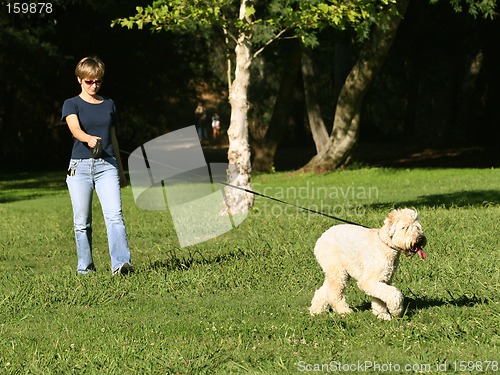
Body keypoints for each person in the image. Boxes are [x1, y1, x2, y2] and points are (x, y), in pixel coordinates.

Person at [62, 56, 132, 275]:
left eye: (97, 81)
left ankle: (120, 265)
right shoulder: (71, 103)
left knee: (115, 217)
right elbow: (74, 128)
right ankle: (85, 268)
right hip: (80, 167)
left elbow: (113, 138)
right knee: (82, 222)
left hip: (107, 167)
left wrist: (121, 170)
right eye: (89, 81)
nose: (93, 85)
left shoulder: (109, 104)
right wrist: (87, 138)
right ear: (79, 80)